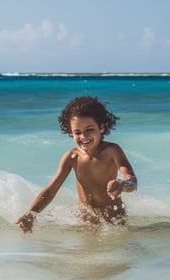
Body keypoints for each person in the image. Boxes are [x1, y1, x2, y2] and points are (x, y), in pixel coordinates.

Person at [15, 96, 138, 233]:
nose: (83, 136)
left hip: (114, 222)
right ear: (71, 132)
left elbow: (132, 181)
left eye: (89, 130)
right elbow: (50, 191)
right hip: (86, 222)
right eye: (77, 132)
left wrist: (122, 185)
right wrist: (31, 214)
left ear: (101, 127)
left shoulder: (112, 151)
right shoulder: (71, 157)